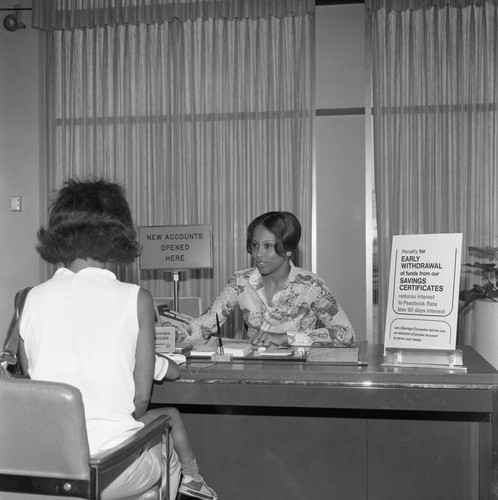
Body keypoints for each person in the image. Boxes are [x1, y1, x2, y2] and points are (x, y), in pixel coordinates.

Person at [18, 178, 216, 500]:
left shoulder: (30, 299)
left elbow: (34, 379)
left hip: (50, 467)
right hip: (111, 469)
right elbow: (140, 400)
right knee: (168, 450)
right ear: (118, 232)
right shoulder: (135, 298)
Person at [178, 211, 355, 346]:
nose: (258, 253)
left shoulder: (311, 285)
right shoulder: (240, 282)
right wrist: (164, 336)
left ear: (288, 249)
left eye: (268, 246)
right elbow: (204, 325)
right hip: (254, 373)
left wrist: (287, 338)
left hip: (301, 372)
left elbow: (346, 334)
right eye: (255, 245)